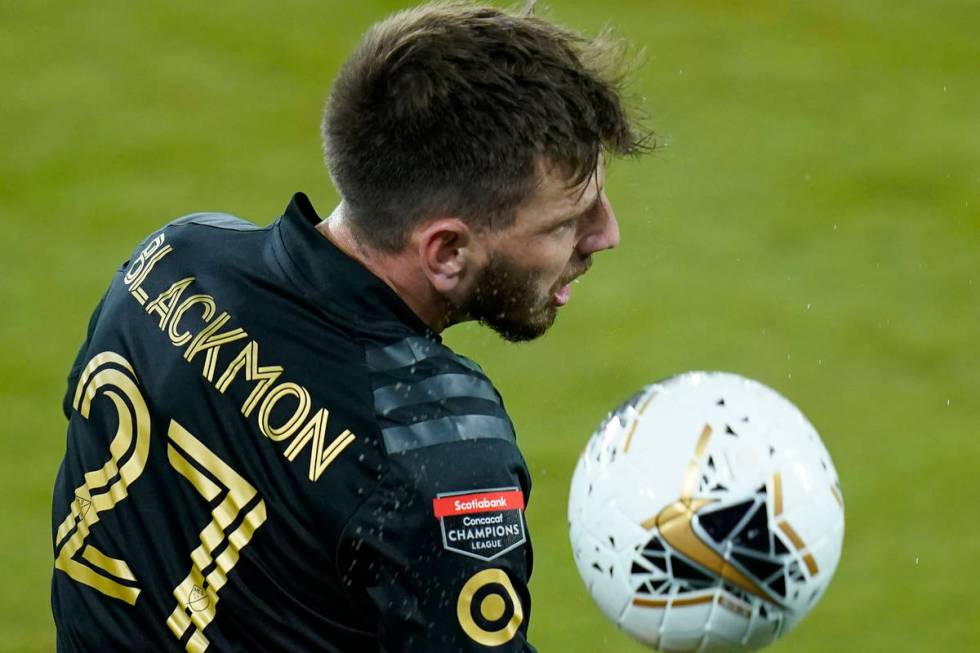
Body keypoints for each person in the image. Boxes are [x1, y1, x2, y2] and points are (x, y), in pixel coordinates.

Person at [51, 2, 648, 651]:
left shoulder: (169, 263)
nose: (606, 235)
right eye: (566, 222)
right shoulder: (431, 443)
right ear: (446, 251)